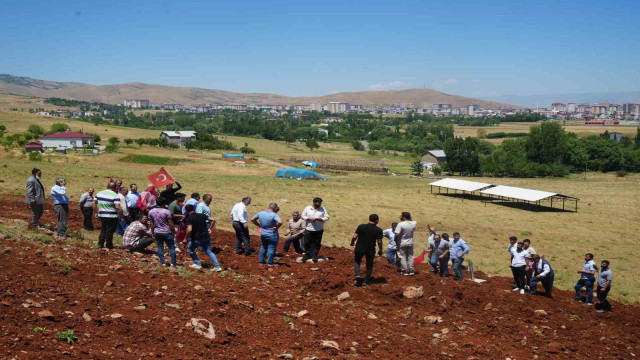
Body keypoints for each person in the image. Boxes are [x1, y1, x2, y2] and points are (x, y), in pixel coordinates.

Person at [184, 204, 222, 271]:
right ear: (194, 209)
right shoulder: (202, 215)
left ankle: (197, 264)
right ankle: (217, 266)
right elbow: (213, 220)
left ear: (187, 210)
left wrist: (185, 238)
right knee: (209, 251)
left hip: (196, 238)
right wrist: (210, 228)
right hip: (205, 236)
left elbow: (189, 229)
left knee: (190, 250)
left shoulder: (189, 218)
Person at [350, 214, 383, 286]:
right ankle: (366, 281)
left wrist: (352, 243)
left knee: (357, 260)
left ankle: (357, 274)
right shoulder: (379, 230)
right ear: (377, 220)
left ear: (369, 219)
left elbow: (354, 236)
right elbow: (379, 241)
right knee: (369, 265)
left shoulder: (361, 226)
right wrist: (380, 250)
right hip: (370, 249)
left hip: (360, 247)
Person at [93, 182, 123, 250]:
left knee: (103, 229)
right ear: (115, 188)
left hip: (102, 214)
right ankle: (109, 245)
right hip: (111, 215)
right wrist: (121, 215)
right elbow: (117, 207)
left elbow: (94, 203)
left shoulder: (99, 193)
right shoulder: (115, 195)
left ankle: (100, 243)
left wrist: (96, 212)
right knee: (110, 231)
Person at [148, 197, 177, 267]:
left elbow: (151, 224)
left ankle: (163, 263)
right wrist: (174, 232)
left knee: (160, 247)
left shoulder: (151, 211)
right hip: (167, 232)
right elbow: (170, 223)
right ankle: (173, 263)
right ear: (164, 204)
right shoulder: (167, 212)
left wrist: (152, 232)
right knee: (172, 248)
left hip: (157, 232)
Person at [300, 197, 330, 263]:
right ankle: (307, 255)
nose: (319, 204)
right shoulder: (307, 208)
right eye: (318, 203)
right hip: (309, 228)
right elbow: (302, 216)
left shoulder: (323, 209)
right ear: (313, 203)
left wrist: (321, 219)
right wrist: (308, 218)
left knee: (317, 243)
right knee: (307, 242)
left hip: (318, 229)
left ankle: (315, 255)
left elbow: (327, 217)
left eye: (320, 203)